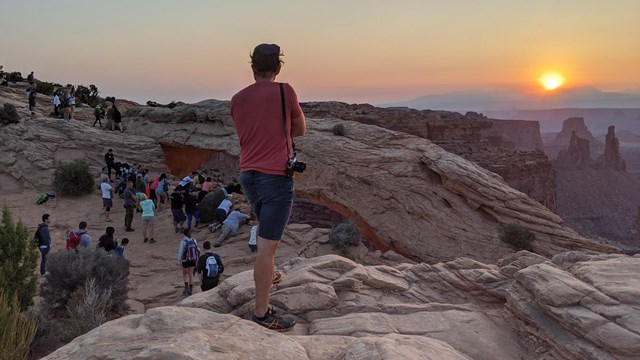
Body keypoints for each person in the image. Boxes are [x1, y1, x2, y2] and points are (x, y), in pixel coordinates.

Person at [230, 43, 306, 331]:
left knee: (265, 234)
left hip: (248, 175)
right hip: (275, 176)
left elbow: (246, 133)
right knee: (266, 249)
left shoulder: (237, 99)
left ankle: (269, 275)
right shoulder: (285, 91)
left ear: (252, 68)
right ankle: (262, 314)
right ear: (278, 68)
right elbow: (300, 129)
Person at [177, 228, 199, 296]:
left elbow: (181, 252)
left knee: (184, 273)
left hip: (185, 260)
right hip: (192, 259)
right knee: (190, 273)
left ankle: (186, 287)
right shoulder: (194, 240)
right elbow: (197, 249)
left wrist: (179, 261)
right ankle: (191, 288)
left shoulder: (183, 241)